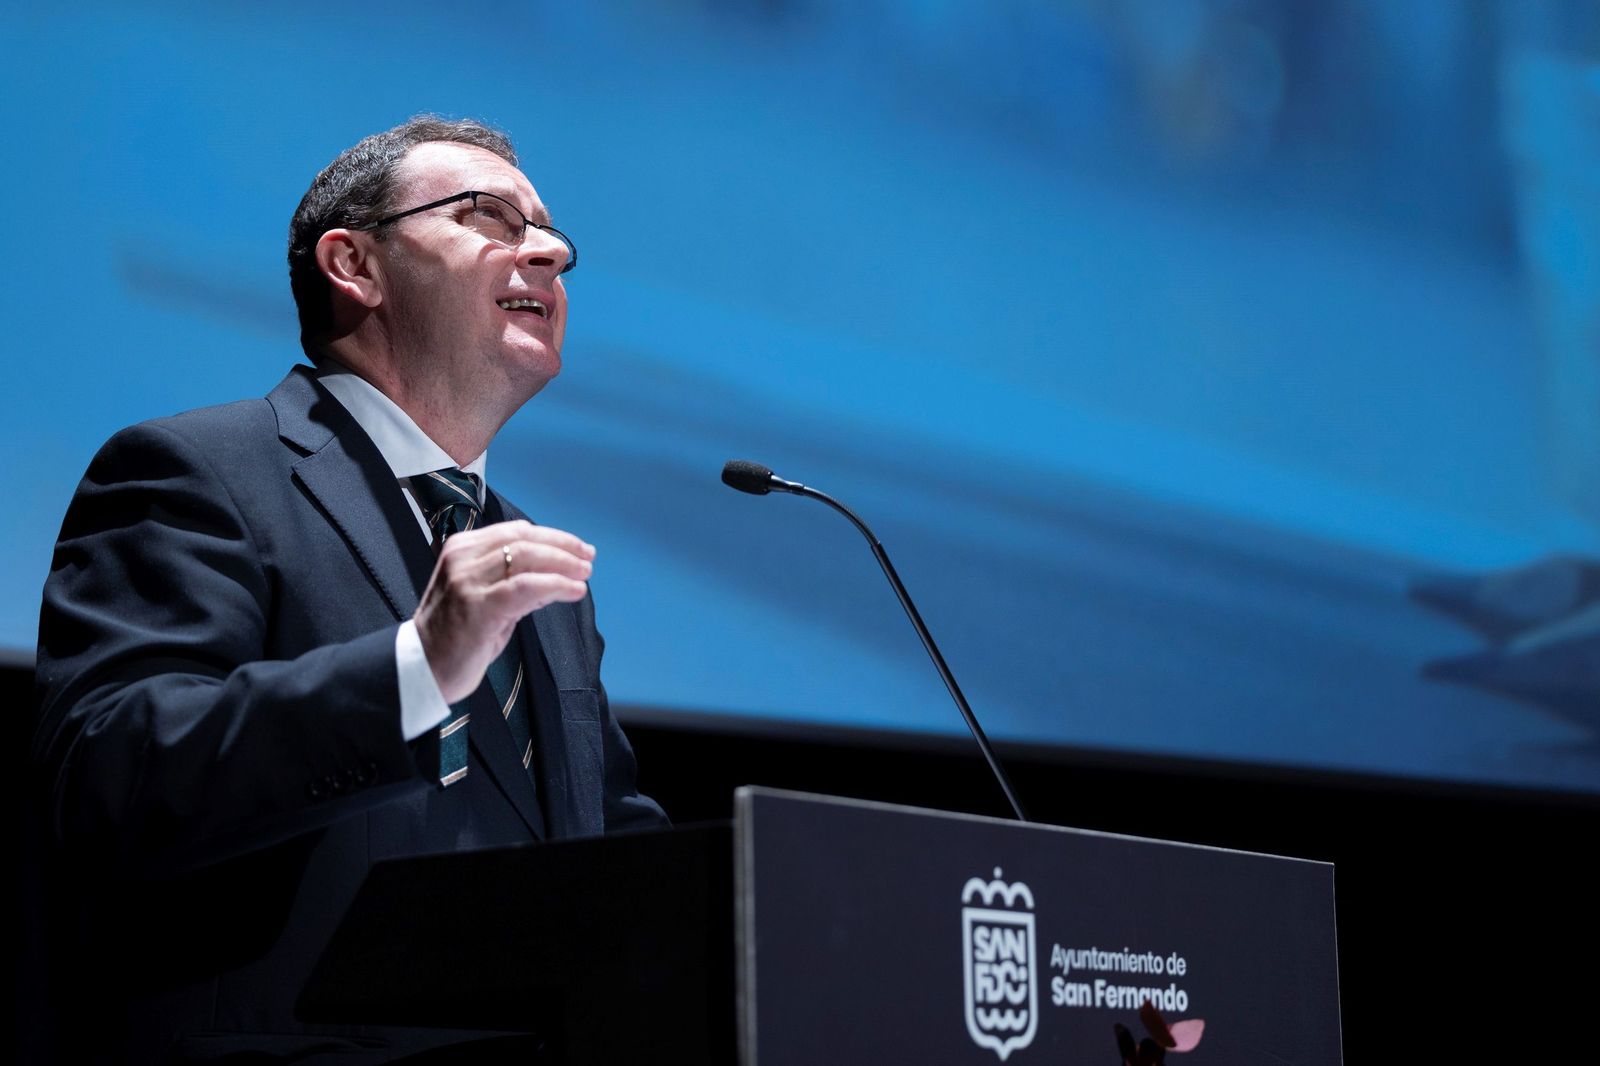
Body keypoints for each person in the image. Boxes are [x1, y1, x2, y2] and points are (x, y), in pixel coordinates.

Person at [30, 116, 668, 1064]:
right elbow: (113, 775)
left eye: (554, 238)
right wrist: (415, 669)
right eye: (492, 217)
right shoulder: (200, 471)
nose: (548, 253)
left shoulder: (529, 563)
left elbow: (608, 848)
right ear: (355, 265)